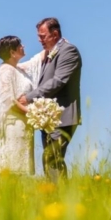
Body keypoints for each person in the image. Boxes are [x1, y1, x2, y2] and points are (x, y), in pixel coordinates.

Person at [18, 17, 82, 183]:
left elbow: (58, 81)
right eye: (39, 36)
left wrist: (29, 98)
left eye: (42, 36)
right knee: (50, 158)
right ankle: (55, 197)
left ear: (55, 34)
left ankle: (59, 198)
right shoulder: (47, 54)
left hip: (63, 115)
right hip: (48, 117)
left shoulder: (69, 51)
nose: (39, 40)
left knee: (52, 157)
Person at [0, 35, 43, 175]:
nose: (23, 46)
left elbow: (35, 62)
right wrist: (31, 113)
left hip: (24, 123)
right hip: (14, 124)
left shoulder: (18, 69)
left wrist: (56, 45)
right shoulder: (5, 71)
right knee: (13, 167)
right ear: (12, 52)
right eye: (19, 44)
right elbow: (9, 101)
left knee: (22, 168)